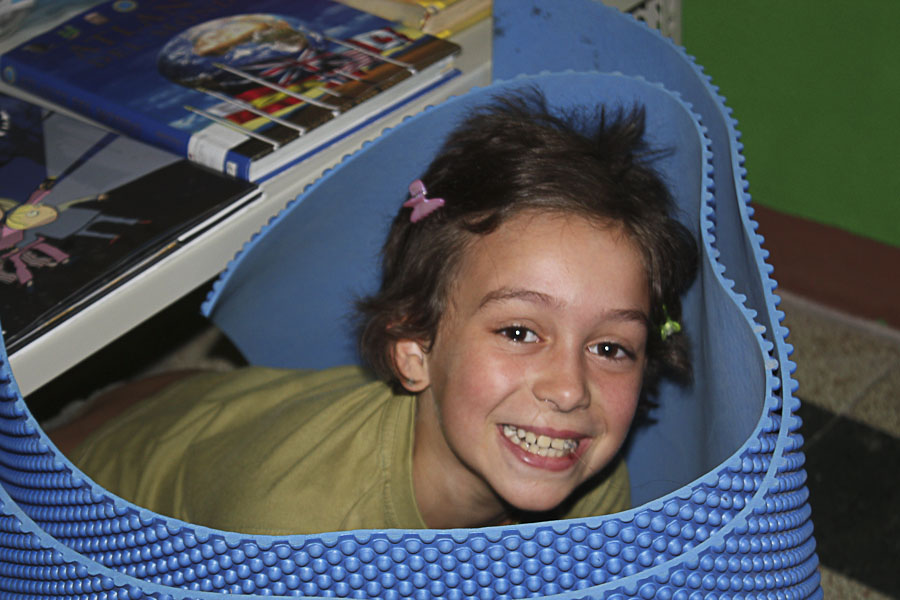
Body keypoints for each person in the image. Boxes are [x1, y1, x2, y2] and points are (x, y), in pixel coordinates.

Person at [64, 88, 697, 535]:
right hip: (83, 497)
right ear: (414, 350)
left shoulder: (586, 478)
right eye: (519, 331)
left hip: (212, 402)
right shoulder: (298, 540)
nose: (570, 390)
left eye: (610, 347)